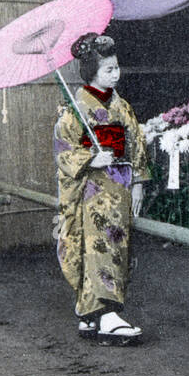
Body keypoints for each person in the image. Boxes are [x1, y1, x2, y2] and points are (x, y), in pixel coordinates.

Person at [53, 32, 152, 345]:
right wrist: (91, 158)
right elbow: (62, 148)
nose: (116, 74)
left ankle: (91, 314)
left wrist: (138, 182)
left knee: (118, 245)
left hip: (119, 186)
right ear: (91, 72)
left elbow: (135, 142)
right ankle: (106, 313)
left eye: (116, 67)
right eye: (109, 70)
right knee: (97, 246)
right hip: (91, 190)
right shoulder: (75, 108)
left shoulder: (121, 107)